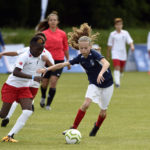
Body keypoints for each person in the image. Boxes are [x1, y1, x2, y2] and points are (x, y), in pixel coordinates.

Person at [37, 35, 114, 137]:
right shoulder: (80, 58)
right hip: (94, 84)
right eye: (81, 48)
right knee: (86, 104)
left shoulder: (94, 54)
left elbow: (106, 64)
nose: (83, 50)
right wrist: (47, 69)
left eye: (86, 48)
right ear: (79, 47)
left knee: (103, 112)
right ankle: (73, 128)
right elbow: (61, 65)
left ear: (90, 47)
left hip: (107, 85)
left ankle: (96, 127)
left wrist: (101, 73)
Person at [0, 33, 54, 127]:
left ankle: (12, 132)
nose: (40, 42)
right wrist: (3, 53)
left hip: (34, 83)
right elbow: (15, 54)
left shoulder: (46, 53)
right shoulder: (26, 52)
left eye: (42, 41)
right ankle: (7, 116)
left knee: (27, 108)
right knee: (15, 103)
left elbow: (52, 67)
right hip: (24, 81)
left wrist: (47, 61)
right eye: (38, 39)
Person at [36, 11, 70, 110]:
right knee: (44, 83)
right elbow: (39, 47)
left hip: (59, 61)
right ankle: (43, 97)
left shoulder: (62, 34)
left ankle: (48, 105)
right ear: (48, 22)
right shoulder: (43, 33)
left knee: (54, 82)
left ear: (58, 22)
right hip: (46, 61)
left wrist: (67, 61)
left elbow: (65, 47)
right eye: (51, 20)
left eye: (54, 20)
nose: (53, 22)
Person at [107, 18, 134, 88]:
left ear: (122, 25)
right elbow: (109, 44)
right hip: (115, 53)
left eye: (120, 25)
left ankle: (120, 74)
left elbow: (130, 41)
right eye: (117, 25)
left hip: (123, 53)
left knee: (121, 69)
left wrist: (132, 46)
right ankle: (117, 83)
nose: (119, 26)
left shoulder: (125, 33)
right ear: (115, 26)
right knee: (117, 68)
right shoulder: (112, 34)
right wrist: (108, 53)